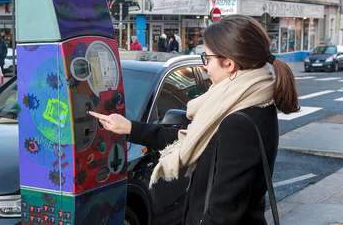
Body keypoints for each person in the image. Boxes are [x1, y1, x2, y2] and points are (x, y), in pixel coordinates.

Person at [89, 15, 299, 224]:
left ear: (229, 63)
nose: (205, 66)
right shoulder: (242, 103)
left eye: (207, 58)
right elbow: (190, 139)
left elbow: (223, 214)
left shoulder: (239, 121)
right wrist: (129, 127)